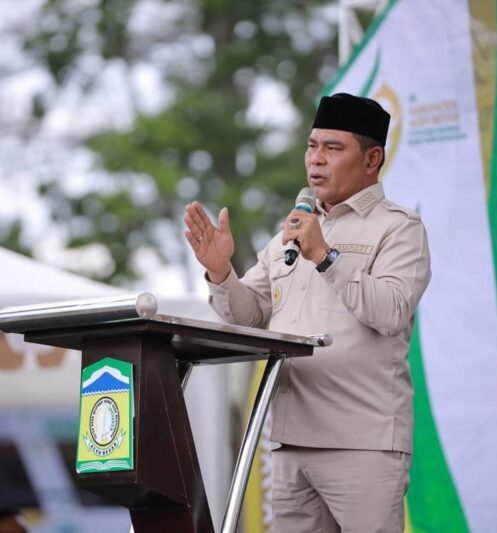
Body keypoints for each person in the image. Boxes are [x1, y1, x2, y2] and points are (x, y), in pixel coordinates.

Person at [184, 92, 431, 533]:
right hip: (290, 442)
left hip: (363, 443)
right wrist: (221, 273)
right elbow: (248, 316)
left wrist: (325, 255)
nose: (315, 160)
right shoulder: (291, 234)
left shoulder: (398, 228)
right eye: (312, 146)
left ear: (373, 158)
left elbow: (392, 311)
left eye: (333, 148)